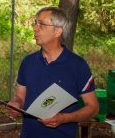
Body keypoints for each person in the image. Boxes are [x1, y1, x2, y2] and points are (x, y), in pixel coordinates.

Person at [8, 7, 99, 138]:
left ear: (57, 31)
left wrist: (64, 118)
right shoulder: (28, 62)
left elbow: (93, 108)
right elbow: (20, 97)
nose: (35, 28)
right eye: (35, 23)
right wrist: (16, 104)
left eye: (42, 24)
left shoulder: (78, 66)